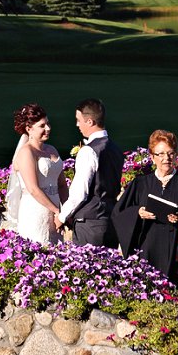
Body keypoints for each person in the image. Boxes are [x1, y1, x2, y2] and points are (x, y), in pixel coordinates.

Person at [118, 130, 178, 287]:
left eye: (171, 154)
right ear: (152, 157)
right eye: (161, 154)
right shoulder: (140, 184)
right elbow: (119, 213)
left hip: (177, 251)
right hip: (147, 248)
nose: (166, 159)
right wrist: (138, 212)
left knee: (176, 293)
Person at [59, 98, 121, 247]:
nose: (77, 124)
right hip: (111, 221)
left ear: (90, 122)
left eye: (79, 120)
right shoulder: (115, 148)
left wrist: (61, 217)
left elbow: (80, 193)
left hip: (90, 224)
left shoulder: (89, 151)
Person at [5, 103, 65, 245]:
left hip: (56, 212)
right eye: (42, 126)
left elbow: (62, 184)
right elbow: (33, 188)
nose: (48, 129)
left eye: (48, 124)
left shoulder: (52, 150)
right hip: (37, 212)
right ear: (29, 129)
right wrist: (57, 211)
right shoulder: (26, 152)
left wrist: (65, 212)